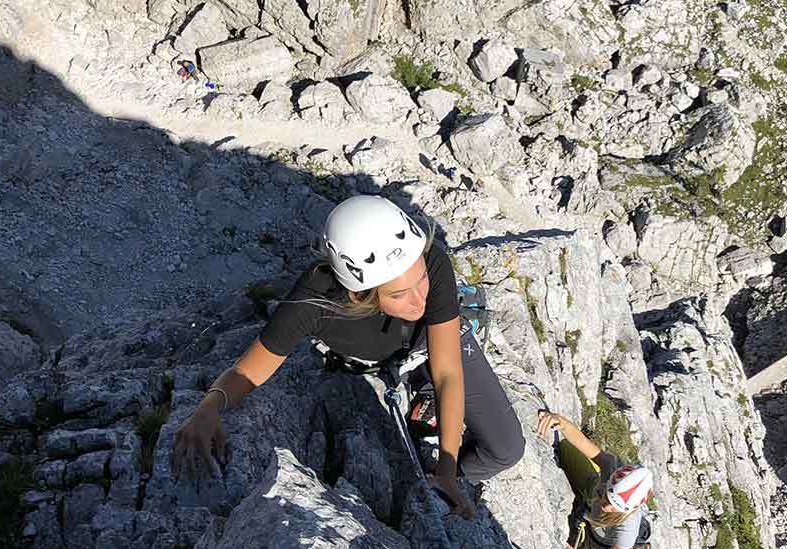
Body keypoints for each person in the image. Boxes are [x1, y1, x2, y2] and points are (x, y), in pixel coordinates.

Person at [171, 194, 525, 518]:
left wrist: (447, 471)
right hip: (372, 361)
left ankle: (431, 421)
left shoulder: (429, 259)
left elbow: (447, 370)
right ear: (358, 296)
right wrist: (209, 408)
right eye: (399, 294)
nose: (420, 301)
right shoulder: (314, 303)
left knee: (506, 449)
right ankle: (421, 402)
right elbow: (248, 372)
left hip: (428, 345)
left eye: (420, 281)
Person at [535, 410, 653, 549]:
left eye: (612, 506)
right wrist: (561, 421)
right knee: (565, 447)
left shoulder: (627, 526)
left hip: (598, 541)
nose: (604, 504)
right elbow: (582, 443)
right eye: (605, 494)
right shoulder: (611, 467)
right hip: (588, 491)